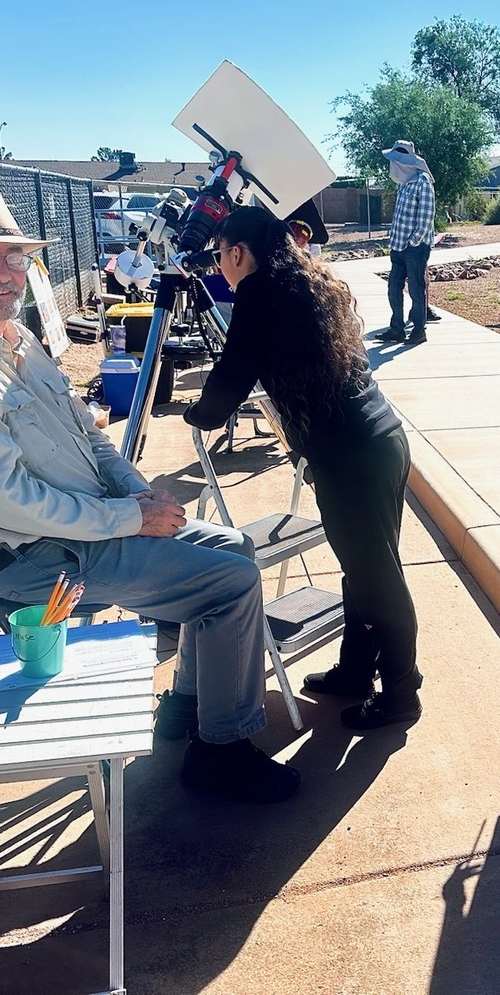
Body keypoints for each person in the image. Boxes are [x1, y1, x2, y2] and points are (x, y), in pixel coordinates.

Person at [0, 185, 300, 805]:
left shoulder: (11, 339)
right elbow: (6, 500)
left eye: (14, 258)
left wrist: (138, 492)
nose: (3, 273)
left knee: (233, 550)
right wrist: (129, 517)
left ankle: (186, 708)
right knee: (229, 585)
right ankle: (222, 752)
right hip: (36, 563)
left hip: (87, 530)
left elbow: (88, 432)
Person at [183, 205, 423, 730]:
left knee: (377, 577)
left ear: (238, 253)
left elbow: (228, 382)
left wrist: (196, 413)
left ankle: (402, 693)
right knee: (365, 569)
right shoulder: (297, 284)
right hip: (376, 441)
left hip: (352, 456)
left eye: (220, 255)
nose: (218, 266)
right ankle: (357, 671)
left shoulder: (258, 292)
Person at [376, 140, 436, 345]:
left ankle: (419, 331)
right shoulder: (403, 184)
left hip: (415, 248)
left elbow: (426, 217)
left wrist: (414, 241)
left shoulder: (423, 181)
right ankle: (396, 330)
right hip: (398, 245)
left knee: (416, 289)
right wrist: (395, 241)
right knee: (393, 287)